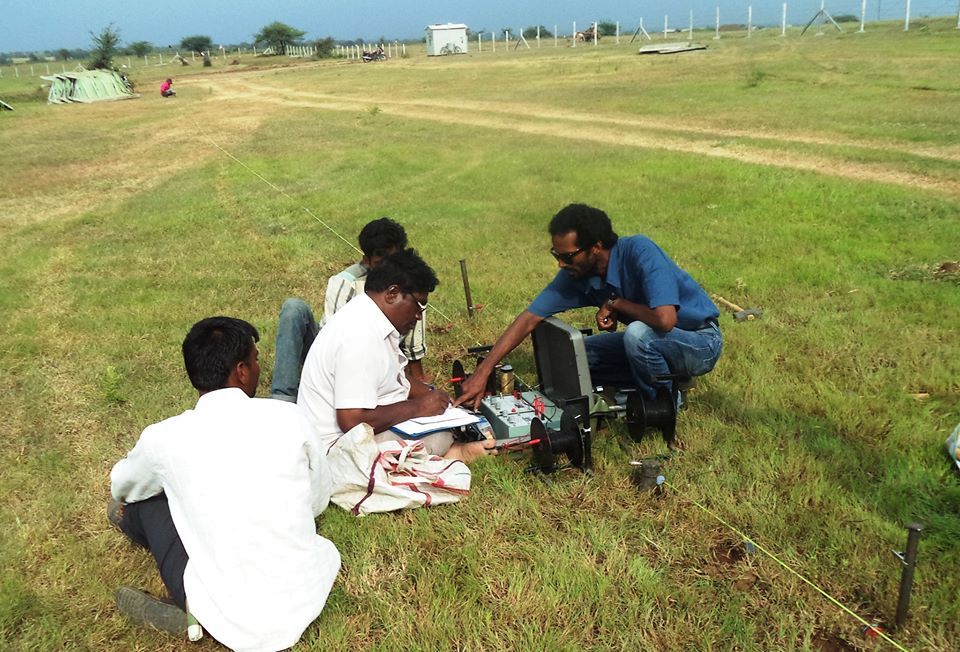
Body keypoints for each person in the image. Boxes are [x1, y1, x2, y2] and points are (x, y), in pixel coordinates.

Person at [109, 317, 340, 650]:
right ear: (242, 371)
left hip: (232, 610)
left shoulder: (163, 438)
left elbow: (122, 485)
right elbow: (317, 501)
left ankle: (193, 612)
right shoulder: (289, 417)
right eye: (257, 360)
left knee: (142, 504)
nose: (260, 368)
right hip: (306, 586)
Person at [455, 203, 722, 410]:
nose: (560, 263)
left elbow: (665, 321)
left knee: (638, 335)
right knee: (574, 358)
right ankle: (667, 376)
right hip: (655, 342)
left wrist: (616, 303)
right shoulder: (577, 274)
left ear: (596, 247)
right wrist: (484, 370)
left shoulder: (640, 251)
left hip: (699, 341)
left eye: (566, 256)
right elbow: (529, 318)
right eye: (556, 255)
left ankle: (662, 405)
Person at [298, 248, 495, 462]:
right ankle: (454, 453)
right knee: (438, 437)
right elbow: (352, 421)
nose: (419, 316)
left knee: (444, 428)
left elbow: (390, 375)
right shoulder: (360, 335)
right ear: (392, 293)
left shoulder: (370, 316)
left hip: (347, 436)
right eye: (418, 305)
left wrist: (431, 394)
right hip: (335, 450)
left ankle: (450, 450)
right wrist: (419, 407)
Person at [271, 217, 428, 402]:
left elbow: (412, 352)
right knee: (293, 308)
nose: (388, 268)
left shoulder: (411, 289)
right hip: (335, 360)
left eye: (394, 261)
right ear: (367, 260)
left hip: (380, 365)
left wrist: (423, 390)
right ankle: (283, 400)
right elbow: (333, 343)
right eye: (381, 261)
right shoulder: (346, 282)